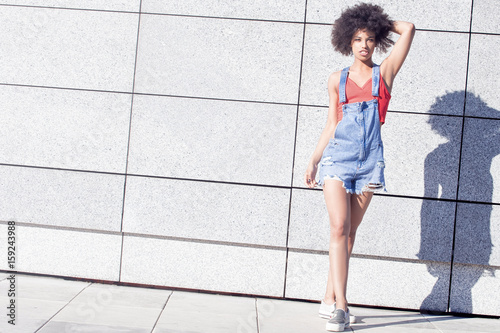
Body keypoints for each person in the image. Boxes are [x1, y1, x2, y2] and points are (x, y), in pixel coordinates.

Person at [303, 3, 415, 332]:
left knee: (349, 233)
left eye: (369, 38)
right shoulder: (336, 80)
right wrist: (314, 158)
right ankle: (341, 306)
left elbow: (407, 29)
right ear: (347, 43)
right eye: (357, 38)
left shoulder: (386, 73)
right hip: (338, 157)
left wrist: (376, 21)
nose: (364, 45)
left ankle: (327, 297)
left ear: (377, 40)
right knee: (338, 227)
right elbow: (331, 124)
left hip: (369, 163)